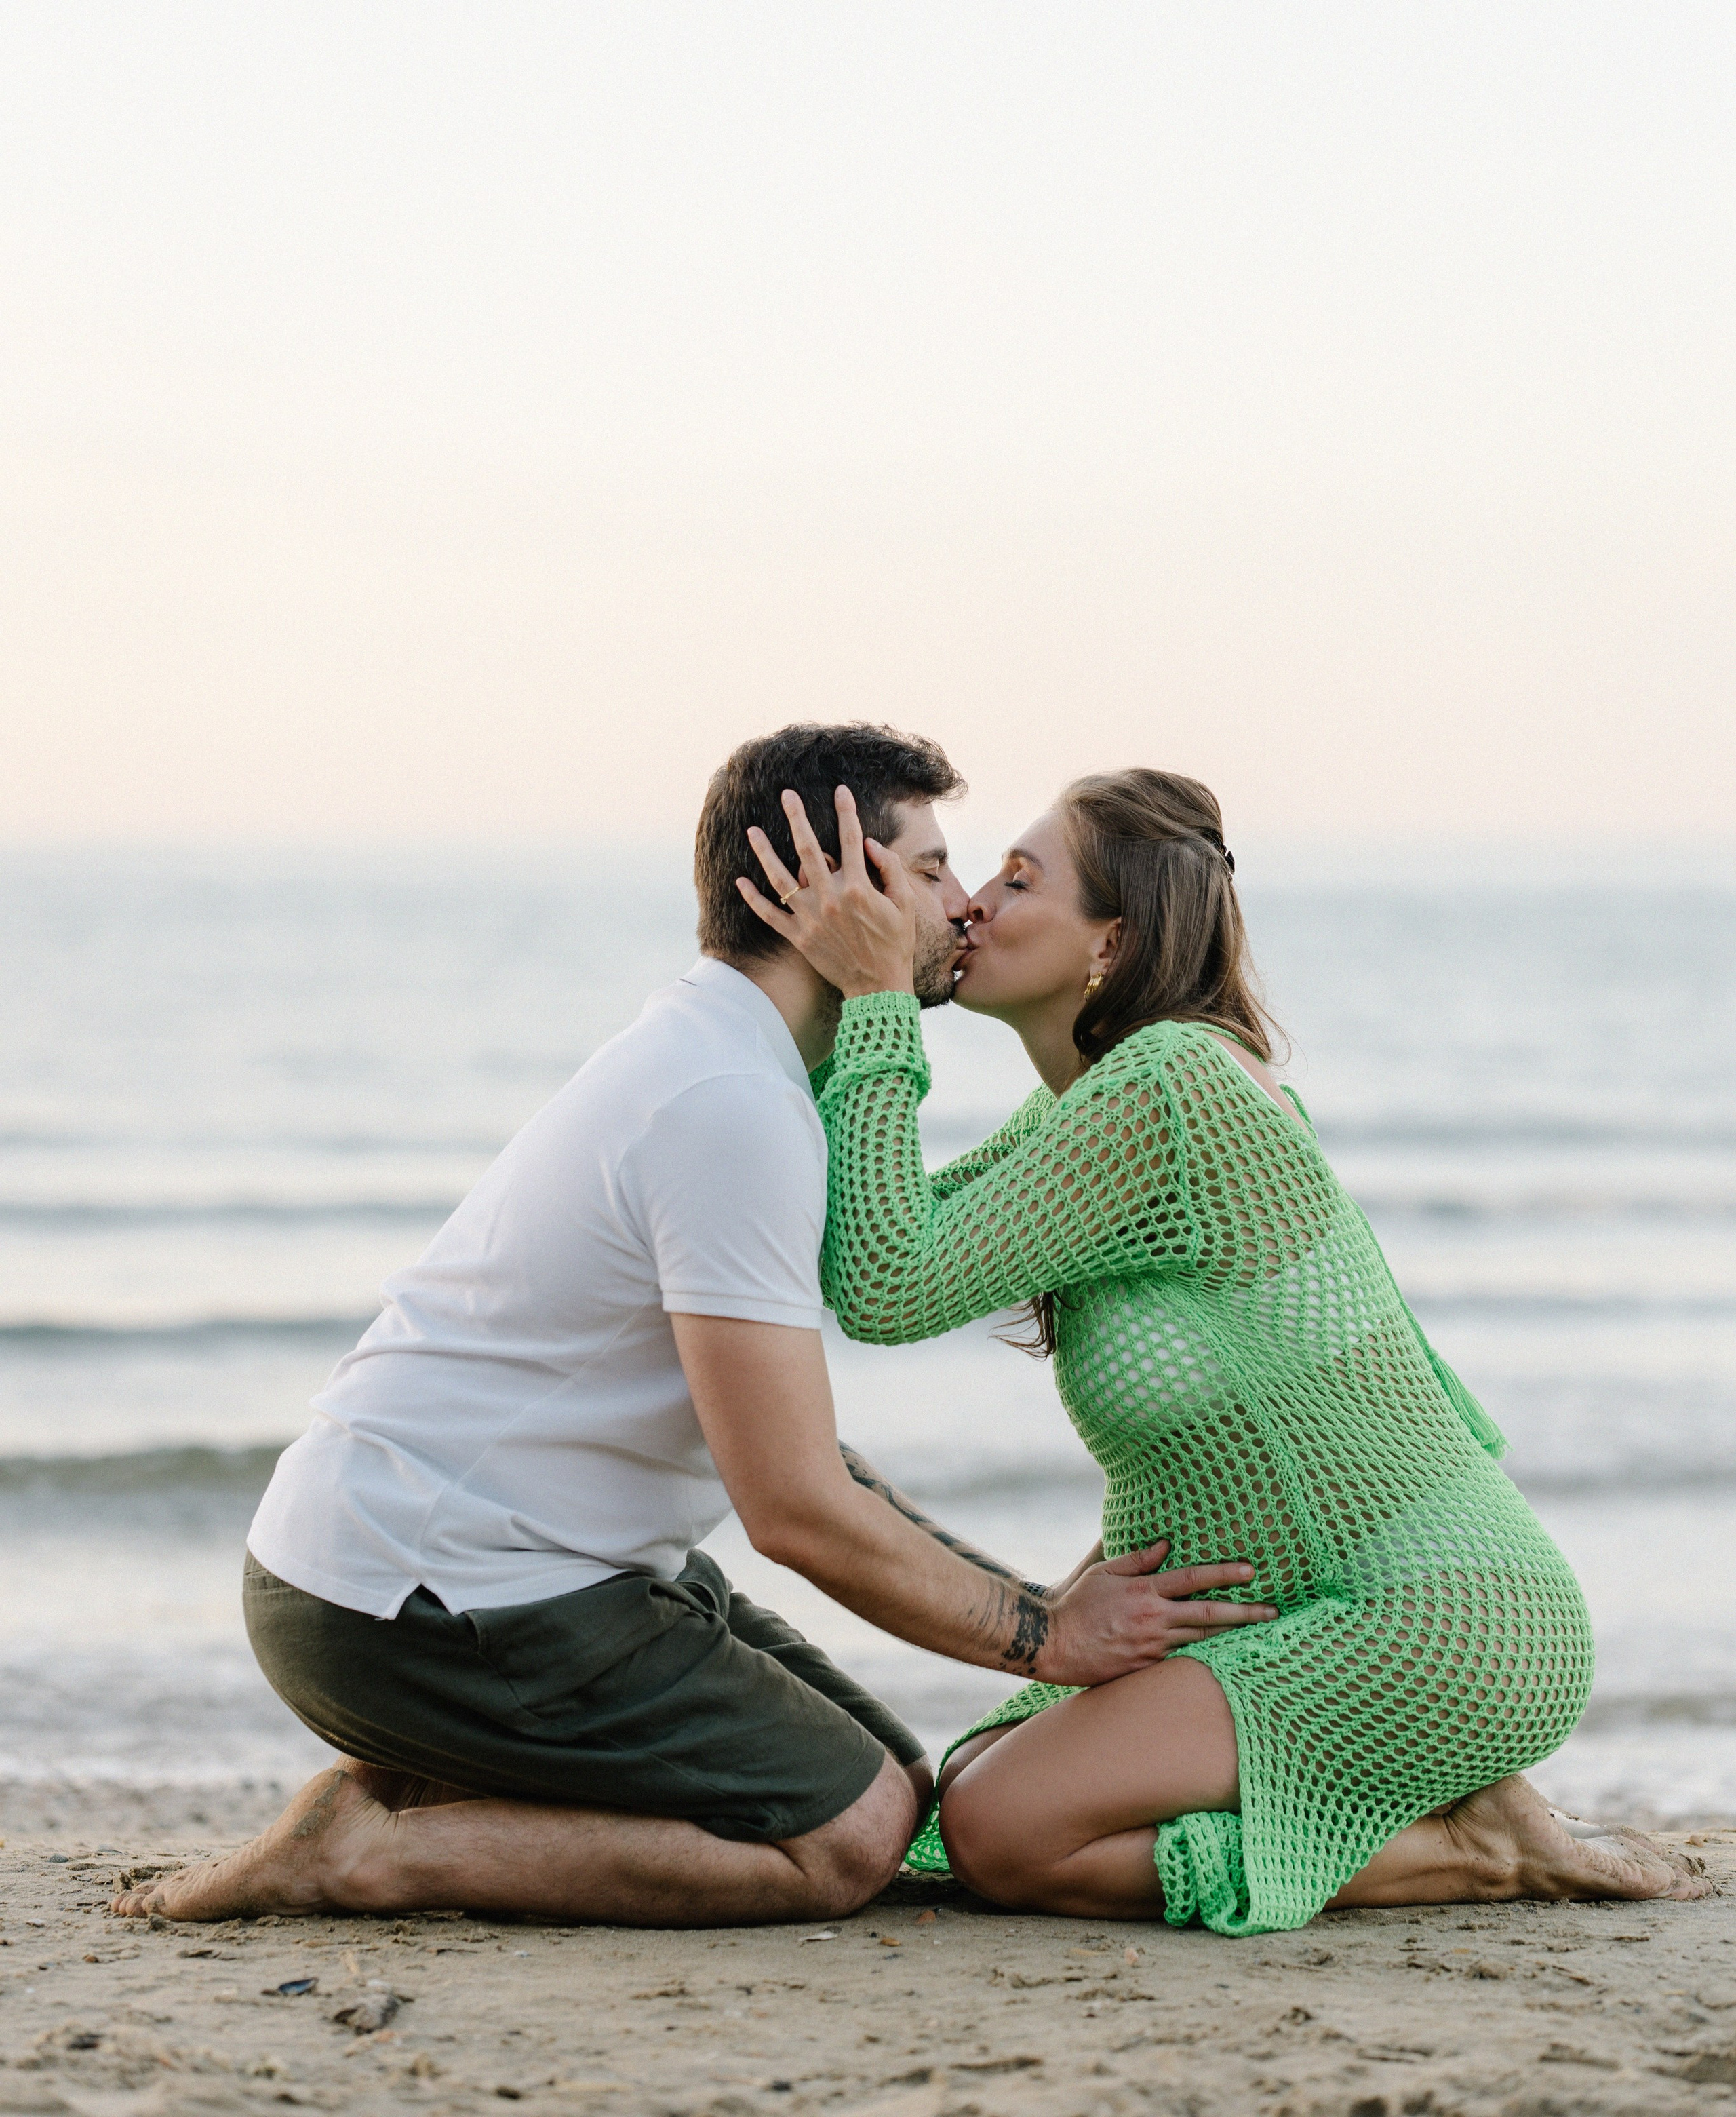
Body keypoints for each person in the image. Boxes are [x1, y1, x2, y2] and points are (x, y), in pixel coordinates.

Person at [115, 726, 1270, 1932]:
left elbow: (804, 1456)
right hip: (415, 1599)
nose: (961, 905)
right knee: (850, 1836)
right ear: (828, 885)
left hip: (500, 1570)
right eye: (929, 870)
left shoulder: (741, 1064)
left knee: (900, 1782)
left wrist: (1028, 1605)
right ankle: (366, 1852)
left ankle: (421, 1778)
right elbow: (793, 1511)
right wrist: (1045, 1637)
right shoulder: (730, 1107)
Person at [738, 767, 1704, 1932]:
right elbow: (871, 1241)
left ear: (1115, 940)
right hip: (1326, 1606)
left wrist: (876, 991)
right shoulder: (1088, 1109)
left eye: (1018, 876)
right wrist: (840, 1004)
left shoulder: (1172, 1086)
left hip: (1440, 1614)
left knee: (1003, 1831)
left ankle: (1485, 1849)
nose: (973, 902)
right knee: (974, 1794)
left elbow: (890, 1285)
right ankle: (1430, 1823)